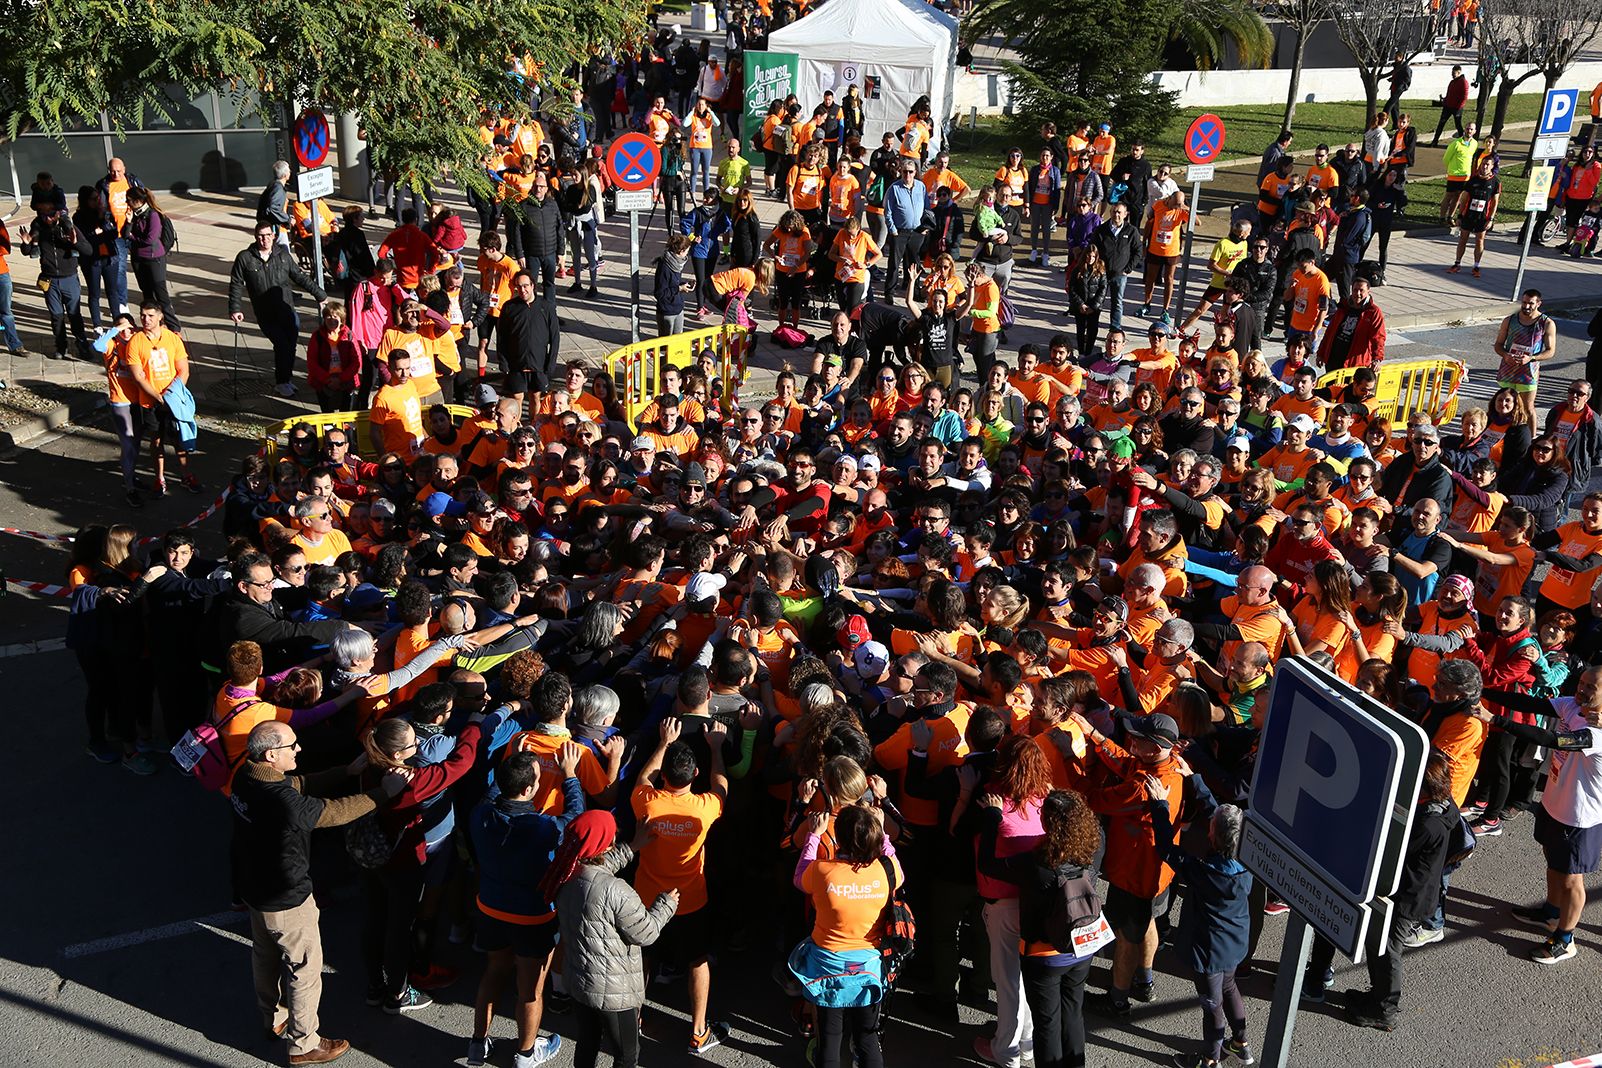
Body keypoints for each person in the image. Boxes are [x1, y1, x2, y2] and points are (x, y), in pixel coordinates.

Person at [233, 720, 404, 1064]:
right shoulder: (282, 801)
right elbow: (332, 812)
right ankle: (304, 1043)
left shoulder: (246, 775)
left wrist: (344, 771)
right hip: (287, 897)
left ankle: (274, 1018)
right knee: (305, 970)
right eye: (291, 746)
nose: (299, 749)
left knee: (265, 957)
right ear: (270, 754)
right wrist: (384, 792)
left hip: (255, 889)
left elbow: (296, 784)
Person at [1302, 748, 1456, 1030]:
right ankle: (1377, 996)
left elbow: (1396, 853)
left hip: (1408, 897)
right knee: (1381, 946)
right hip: (1416, 890)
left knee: (1387, 949)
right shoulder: (1445, 806)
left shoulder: (1428, 823)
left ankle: (1385, 1009)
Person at [466, 745, 587, 1067]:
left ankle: (478, 1043)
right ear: (529, 789)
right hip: (533, 918)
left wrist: (509, 764)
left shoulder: (481, 815)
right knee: (530, 990)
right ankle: (526, 1053)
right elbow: (574, 817)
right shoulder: (543, 828)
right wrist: (571, 775)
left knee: (493, 971)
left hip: (490, 909)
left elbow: (491, 797)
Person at [976, 788, 1110, 1068]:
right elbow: (1094, 827)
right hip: (1082, 946)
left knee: (1047, 1024)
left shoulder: (1037, 864)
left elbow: (988, 863)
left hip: (1044, 956)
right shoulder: (1095, 847)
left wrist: (992, 816)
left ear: (1048, 824)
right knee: (1073, 1013)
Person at [1143, 763, 1253, 1068]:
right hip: (1234, 944)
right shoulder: (1246, 858)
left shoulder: (1204, 871)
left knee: (1211, 1004)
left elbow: (1166, 847)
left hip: (1209, 951)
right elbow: (1218, 815)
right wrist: (1195, 778)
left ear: (1211, 835)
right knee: (1230, 988)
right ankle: (1241, 1041)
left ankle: (1210, 1059)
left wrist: (1159, 804)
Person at [547, 810, 678, 1068]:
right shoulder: (615, 890)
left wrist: (632, 847)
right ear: (604, 845)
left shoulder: (566, 871)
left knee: (588, 1042)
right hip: (613, 993)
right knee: (627, 1055)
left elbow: (598, 868)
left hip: (580, 982)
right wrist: (666, 905)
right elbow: (646, 932)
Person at [632, 717, 732, 1054]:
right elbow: (721, 786)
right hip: (690, 899)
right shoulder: (704, 808)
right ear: (694, 777)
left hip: (647, 899)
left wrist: (663, 742)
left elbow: (642, 777)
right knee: (697, 961)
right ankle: (699, 1032)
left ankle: (633, 1020)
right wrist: (716, 748)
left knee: (642, 958)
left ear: (665, 777)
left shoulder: (647, 801)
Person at [790, 801, 899, 1068]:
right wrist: (883, 833)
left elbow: (799, 877)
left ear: (839, 838)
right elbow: (897, 866)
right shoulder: (886, 871)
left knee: (829, 1038)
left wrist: (814, 836)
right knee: (867, 1038)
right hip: (869, 970)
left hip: (828, 969)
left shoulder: (823, 871)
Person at [229, 219, 328, 397]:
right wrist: (235, 308)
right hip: (266, 313)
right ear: (255, 237)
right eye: (260, 236)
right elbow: (236, 283)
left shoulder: (282, 255)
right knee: (282, 345)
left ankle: (285, 380)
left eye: (268, 235)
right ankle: (282, 382)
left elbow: (299, 277)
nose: (264, 239)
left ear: (274, 236)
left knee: (290, 346)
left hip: (287, 310)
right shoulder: (245, 258)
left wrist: (319, 294)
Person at [1493, 289, 1557, 428]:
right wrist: (1505, 355)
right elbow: (1498, 345)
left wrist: (1531, 358)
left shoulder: (1546, 323)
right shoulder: (1510, 320)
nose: (1526, 306)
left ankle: (1531, 443)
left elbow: (1550, 351)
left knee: (1528, 409)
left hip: (1528, 373)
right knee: (1503, 407)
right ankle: (1499, 435)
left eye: (1531, 303)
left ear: (1539, 303)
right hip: (1508, 371)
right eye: (1524, 302)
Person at [1448, 157, 1499, 276]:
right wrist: (1460, 215)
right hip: (1468, 215)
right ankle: (1457, 263)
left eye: (1487, 165)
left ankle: (1476, 266)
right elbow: (1464, 199)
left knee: (1479, 241)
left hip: (1482, 217)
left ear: (1492, 166)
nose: (1484, 166)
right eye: (1483, 164)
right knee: (1462, 239)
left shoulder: (1495, 182)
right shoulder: (1472, 180)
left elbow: (1495, 203)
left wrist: (1490, 219)